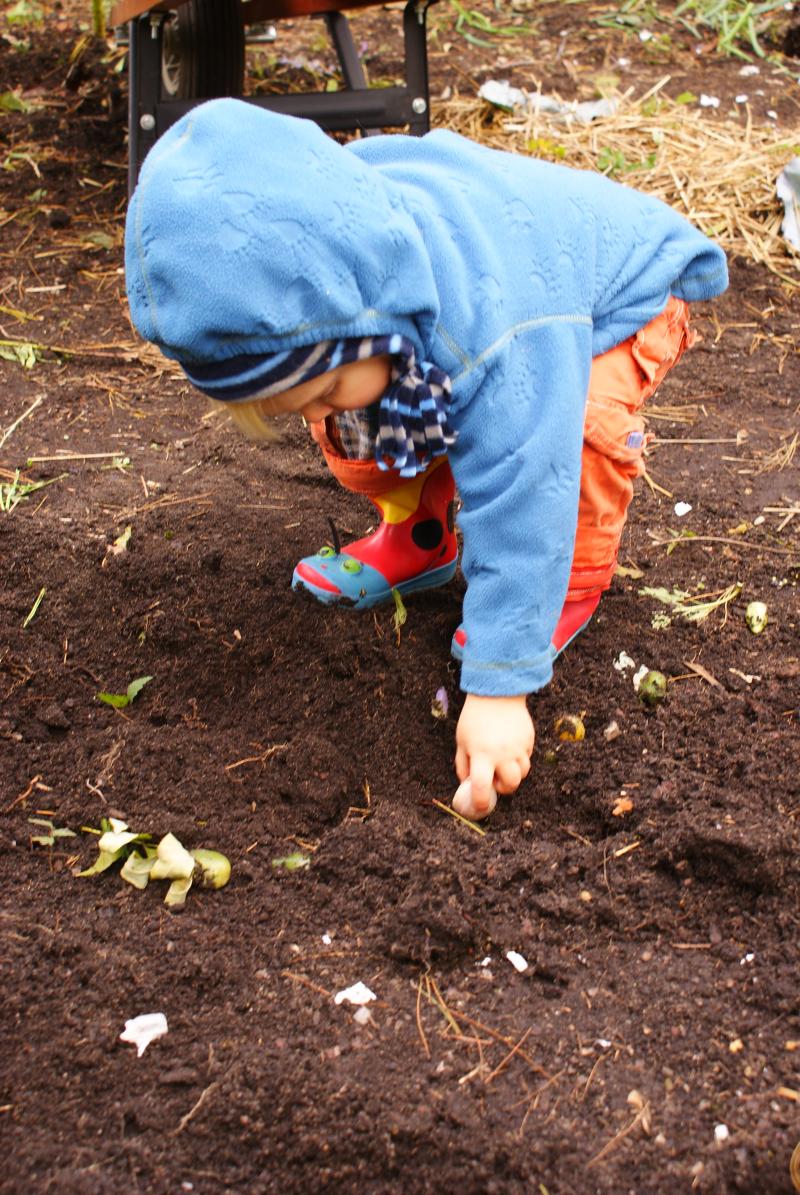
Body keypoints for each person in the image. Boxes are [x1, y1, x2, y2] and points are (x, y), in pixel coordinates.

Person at [124, 98, 728, 818]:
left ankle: (564, 586)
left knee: (566, 433)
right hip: (474, 313)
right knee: (363, 422)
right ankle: (422, 535)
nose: (314, 414)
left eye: (322, 389)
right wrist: (340, 402)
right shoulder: (341, 255)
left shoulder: (495, 333)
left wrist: (500, 686)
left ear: (370, 319)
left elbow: (525, 484)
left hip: (610, 308)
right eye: (294, 406)